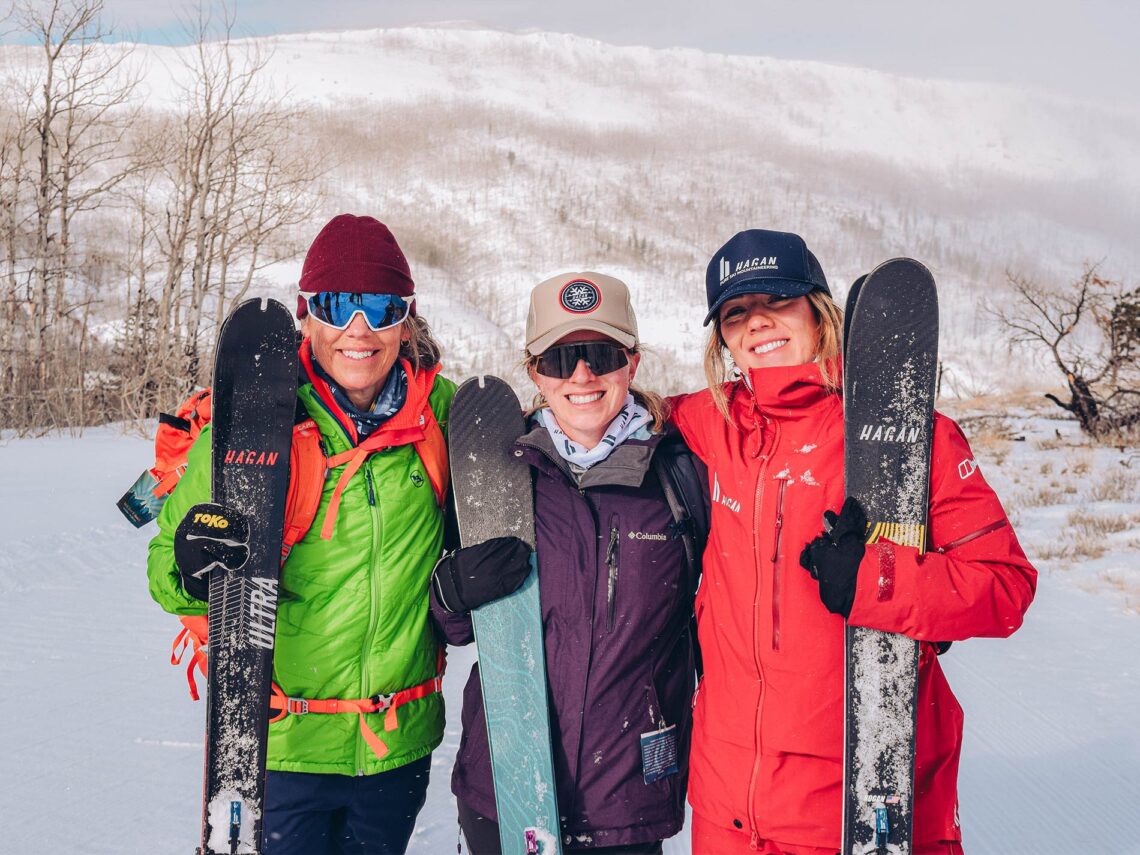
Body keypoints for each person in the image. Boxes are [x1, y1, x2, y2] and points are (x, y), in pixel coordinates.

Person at [668, 229, 1038, 855]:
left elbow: (1006, 587)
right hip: (726, 805)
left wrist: (879, 580)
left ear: (820, 310)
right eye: (736, 312)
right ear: (723, 340)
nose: (757, 322)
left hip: (855, 804)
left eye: (777, 301)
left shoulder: (903, 434)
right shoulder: (709, 423)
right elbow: (609, 415)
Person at [147, 214, 456, 854]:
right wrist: (190, 566)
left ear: (407, 317)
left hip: (397, 747)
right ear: (306, 314)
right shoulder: (253, 421)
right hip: (277, 748)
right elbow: (165, 578)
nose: (359, 330)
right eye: (339, 306)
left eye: (381, 307)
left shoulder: (444, 417)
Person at [431, 272, 709, 854]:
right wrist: (452, 591)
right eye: (560, 359)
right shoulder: (496, 471)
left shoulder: (680, 475)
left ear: (631, 363)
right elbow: (452, 627)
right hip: (505, 785)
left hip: (627, 796)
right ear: (534, 371)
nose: (581, 375)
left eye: (600, 354)